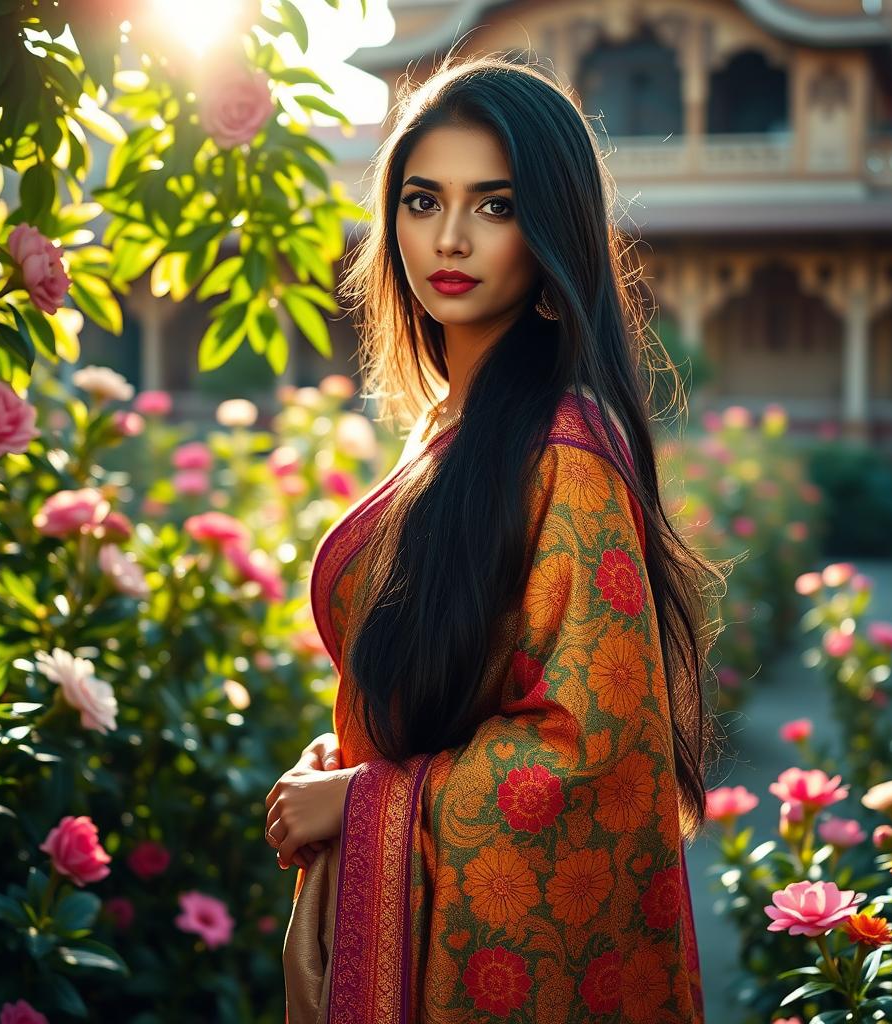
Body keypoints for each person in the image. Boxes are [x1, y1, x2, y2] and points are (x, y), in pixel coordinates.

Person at [264, 51, 728, 1024]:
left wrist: (364, 803)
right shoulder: (452, 431)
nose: (451, 236)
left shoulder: (567, 454)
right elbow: (446, 681)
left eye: (496, 205)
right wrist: (343, 758)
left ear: (548, 229)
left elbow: (587, 753)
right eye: (423, 200)